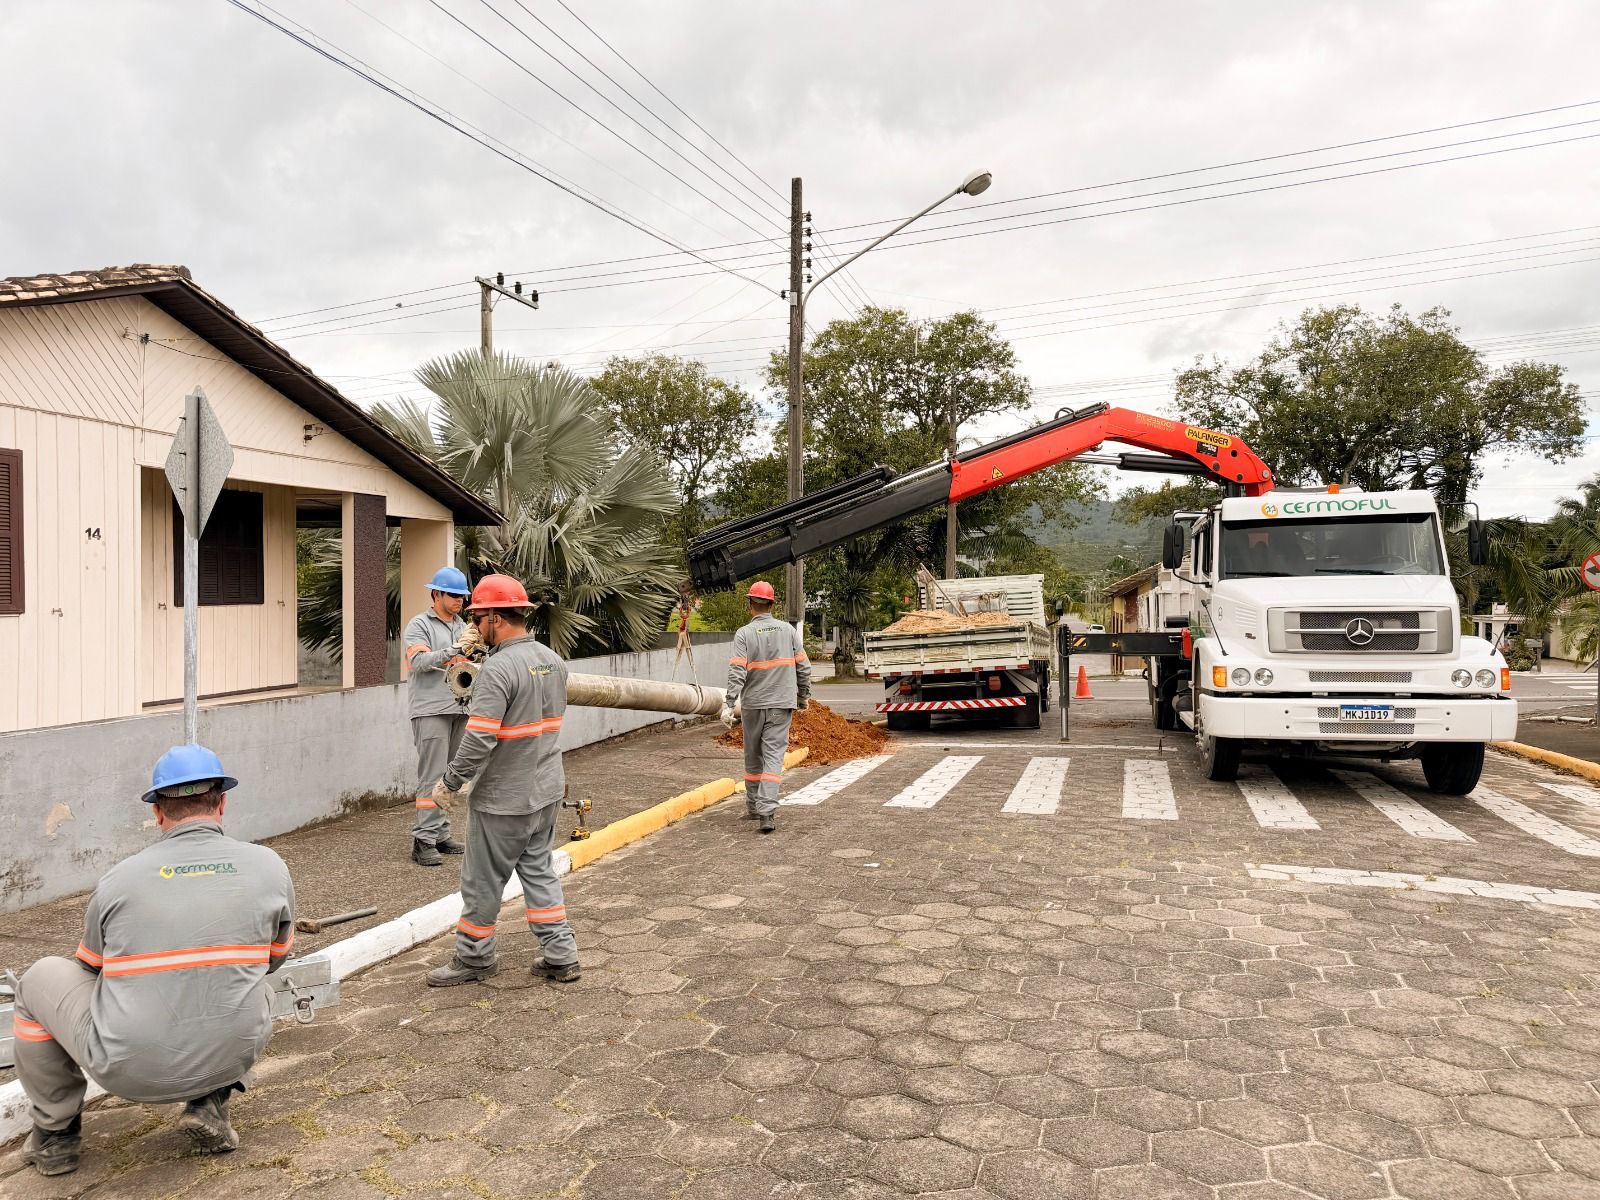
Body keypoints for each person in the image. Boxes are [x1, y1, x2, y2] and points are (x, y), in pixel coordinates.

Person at [13, 745, 295, 1177]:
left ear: (159, 814)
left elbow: (90, 967)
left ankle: (56, 1138)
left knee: (37, 981)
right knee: (253, 983)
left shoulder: (118, 880)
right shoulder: (269, 866)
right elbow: (274, 959)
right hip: (232, 1054)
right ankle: (210, 1101)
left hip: (130, 1073)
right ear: (222, 803)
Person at [425, 574, 579, 988]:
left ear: (495, 616)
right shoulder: (551, 659)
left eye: (478, 617)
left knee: (481, 881)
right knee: (539, 871)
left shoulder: (497, 670)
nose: (474, 626)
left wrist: (450, 782)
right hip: (546, 790)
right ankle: (561, 955)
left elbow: (478, 738)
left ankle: (474, 959)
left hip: (504, 799)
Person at [722, 580, 811, 834]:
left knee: (753, 756)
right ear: (772, 604)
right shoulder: (788, 631)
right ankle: (767, 813)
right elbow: (804, 667)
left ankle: (753, 807)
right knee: (773, 758)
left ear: (751, 604)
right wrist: (803, 696)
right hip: (781, 705)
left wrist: (729, 702)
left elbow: (737, 669)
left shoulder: (744, 634)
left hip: (752, 706)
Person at [403, 566, 474, 867]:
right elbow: (419, 662)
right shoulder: (419, 625)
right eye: (454, 595)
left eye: (462, 596)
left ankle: (441, 834)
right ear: (437, 593)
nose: (460, 600)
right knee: (432, 777)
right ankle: (423, 840)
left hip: (459, 707)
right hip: (431, 709)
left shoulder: (463, 625)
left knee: (451, 777)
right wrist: (455, 649)